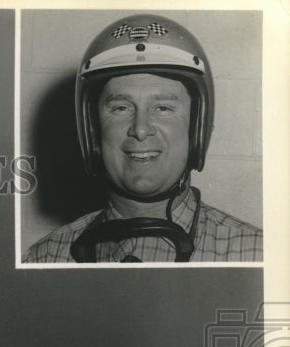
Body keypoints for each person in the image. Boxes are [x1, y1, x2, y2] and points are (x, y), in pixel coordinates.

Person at [24, 14, 262, 263]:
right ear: (92, 130)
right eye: (121, 108)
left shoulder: (255, 254)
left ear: (197, 128)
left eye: (163, 108)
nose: (140, 129)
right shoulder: (46, 258)